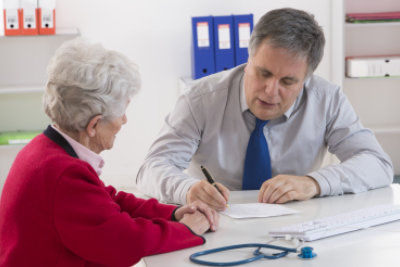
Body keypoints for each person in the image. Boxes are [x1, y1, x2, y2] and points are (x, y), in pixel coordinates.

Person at [136, 8, 393, 211]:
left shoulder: (327, 99)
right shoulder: (200, 99)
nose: (271, 90)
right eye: (263, 73)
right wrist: (187, 189)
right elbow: (152, 168)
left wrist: (314, 182)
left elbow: (377, 164)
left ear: (306, 79)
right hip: (216, 219)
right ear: (249, 59)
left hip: (297, 222)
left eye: (288, 81)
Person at [0, 38, 218, 267]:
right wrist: (185, 230)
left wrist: (172, 214)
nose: (124, 120)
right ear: (93, 125)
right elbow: (123, 242)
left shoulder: (45, 149)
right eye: (122, 112)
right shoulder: (64, 174)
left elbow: (106, 201)